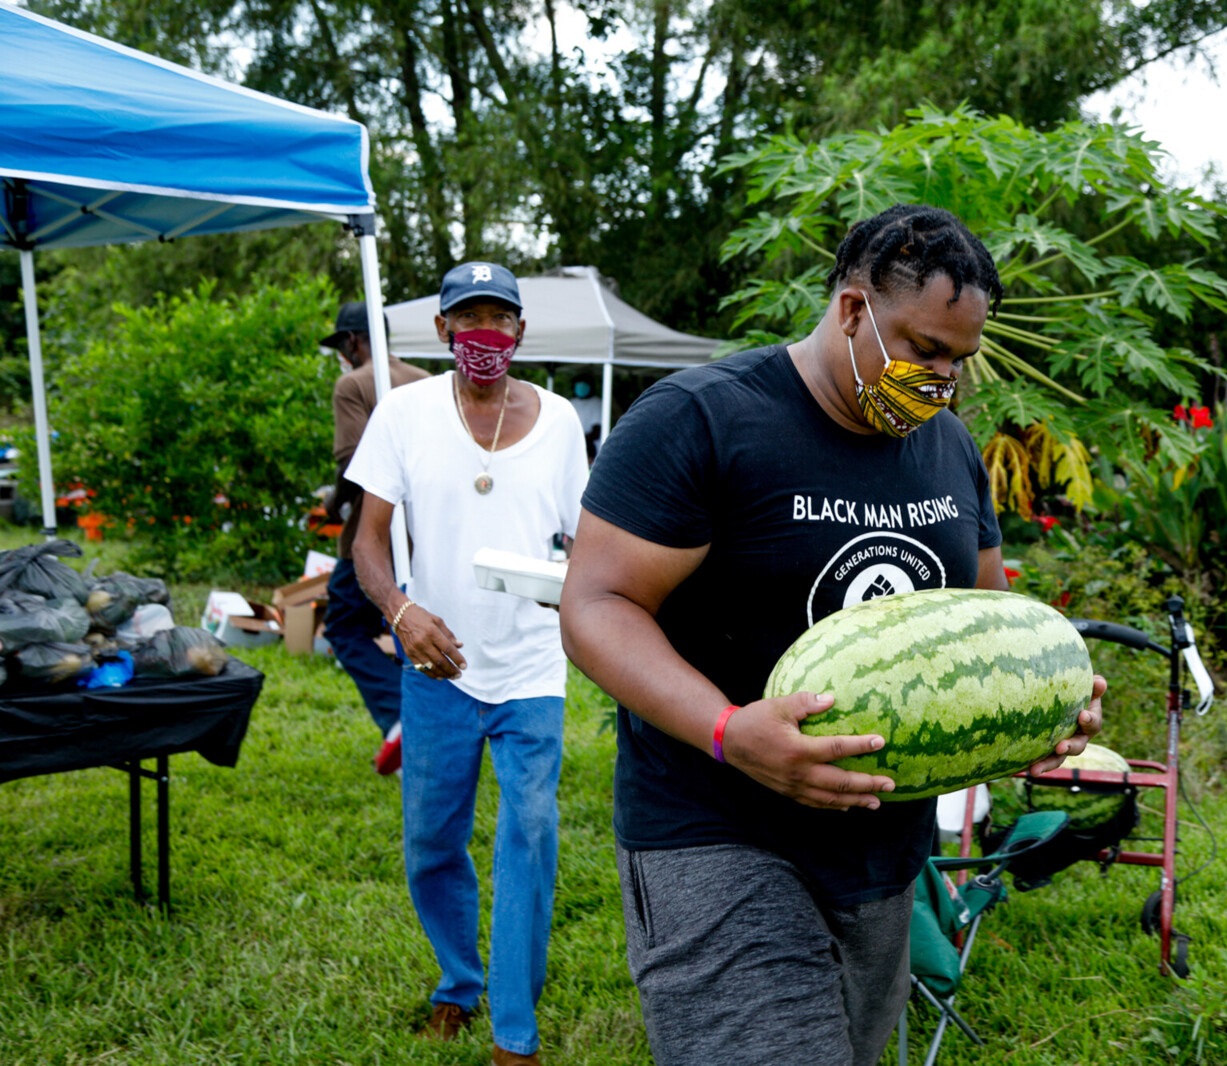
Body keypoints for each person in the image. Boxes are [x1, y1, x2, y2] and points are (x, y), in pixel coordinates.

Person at [560, 204, 1106, 1066]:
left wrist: (1045, 703)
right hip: (716, 832)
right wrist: (728, 731)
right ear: (852, 310)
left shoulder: (950, 449)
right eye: (924, 350)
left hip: (882, 856)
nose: (944, 381)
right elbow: (594, 607)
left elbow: (990, 619)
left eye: (961, 361)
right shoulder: (701, 419)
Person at [347, 261, 588, 1066]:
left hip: (529, 672)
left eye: (499, 318)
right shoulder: (405, 414)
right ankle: (459, 981)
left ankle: (514, 1031)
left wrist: (580, 594)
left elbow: (586, 544)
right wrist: (402, 611)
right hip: (436, 668)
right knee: (431, 843)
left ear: (520, 332)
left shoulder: (559, 424)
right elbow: (368, 541)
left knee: (529, 833)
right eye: (468, 319)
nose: (484, 334)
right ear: (445, 330)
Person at [319, 302, 431, 770]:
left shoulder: (353, 384)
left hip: (376, 535)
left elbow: (354, 462)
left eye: (341, 346)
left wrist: (331, 502)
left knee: (344, 627)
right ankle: (431, 726)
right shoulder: (426, 381)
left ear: (352, 341)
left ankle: (399, 716)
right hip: (427, 533)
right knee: (414, 631)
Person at [568, 377, 603, 461]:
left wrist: (581, 440)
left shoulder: (597, 403)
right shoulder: (570, 402)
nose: (581, 388)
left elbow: (597, 431)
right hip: (573, 446)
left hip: (592, 449)